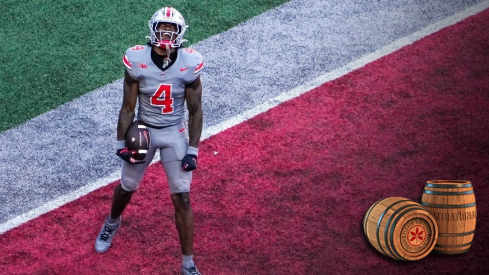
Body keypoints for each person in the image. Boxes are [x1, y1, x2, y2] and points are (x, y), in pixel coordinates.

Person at [94, 7, 203, 275]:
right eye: (162, 28)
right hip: (143, 129)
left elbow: (195, 110)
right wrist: (121, 143)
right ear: (153, 30)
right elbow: (128, 107)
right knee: (127, 186)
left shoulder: (189, 62)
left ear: (181, 33)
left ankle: (188, 263)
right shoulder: (136, 58)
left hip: (173, 132)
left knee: (183, 199)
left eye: (172, 29)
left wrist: (193, 149)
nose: (167, 33)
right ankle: (112, 222)